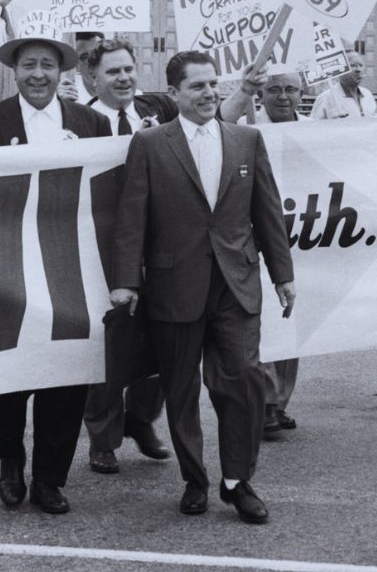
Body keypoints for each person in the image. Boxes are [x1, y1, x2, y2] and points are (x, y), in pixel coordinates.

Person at [0, 28, 111, 514]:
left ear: (61, 72)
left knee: (67, 381)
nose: (37, 74)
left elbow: (110, 196)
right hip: (7, 271)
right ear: (15, 70)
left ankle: (50, 478)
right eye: (28, 65)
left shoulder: (91, 122)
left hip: (71, 273)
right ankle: (11, 462)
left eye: (47, 66)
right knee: (6, 380)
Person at [110, 50, 296, 524]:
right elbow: (132, 218)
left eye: (213, 84)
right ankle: (195, 479)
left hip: (237, 285)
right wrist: (126, 283)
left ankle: (237, 481)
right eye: (197, 86)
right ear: (174, 94)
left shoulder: (246, 139)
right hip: (175, 286)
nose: (209, 93)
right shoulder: (150, 144)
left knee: (243, 382)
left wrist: (283, 274)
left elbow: (267, 212)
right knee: (181, 389)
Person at [80, 39, 173, 475]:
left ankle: (142, 418)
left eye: (129, 69)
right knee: (109, 343)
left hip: (159, 242)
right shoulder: (77, 121)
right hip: (99, 243)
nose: (124, 78)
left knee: (162, 335)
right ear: (92, 78)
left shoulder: (158, 110)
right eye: (113, 72)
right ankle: (103, 436)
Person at [230, 64, 308, 437]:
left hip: (304, 235)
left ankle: (278, 402)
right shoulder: (244, 129)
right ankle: (264, 402)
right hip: (250, 234)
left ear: (301, 94)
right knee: (257, 323)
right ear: (261, 95)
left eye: (290, 90)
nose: (282, 97)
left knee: (291, 324)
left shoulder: (318, 132)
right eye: (275, 89)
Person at [310, 46, 377, 119]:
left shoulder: (368, 95)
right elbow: (313, 127)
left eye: (361, 65)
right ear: (340, 69)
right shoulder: (326, 98)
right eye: (353, 65)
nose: (358, 70)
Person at [73, 31, 104, 103]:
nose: (93, 61)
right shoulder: (70, 100)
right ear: (76, 64)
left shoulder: (130, 97)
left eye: (98, 53)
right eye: (85, 57)